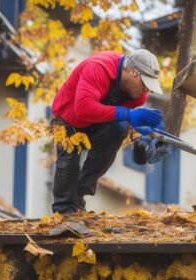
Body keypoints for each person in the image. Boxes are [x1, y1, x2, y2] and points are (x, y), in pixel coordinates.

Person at [50, 49, 169, 214]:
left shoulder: (138, 95)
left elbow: (123, 119)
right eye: (145, 84)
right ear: (133, 72)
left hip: (97, 121)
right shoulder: (98, 68)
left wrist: (142, 140)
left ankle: (79, 195)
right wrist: (129, 114)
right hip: (67, 117)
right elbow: (84, 109)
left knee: (118, 129)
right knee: (68, 161)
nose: (146, 91)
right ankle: (63, 211)